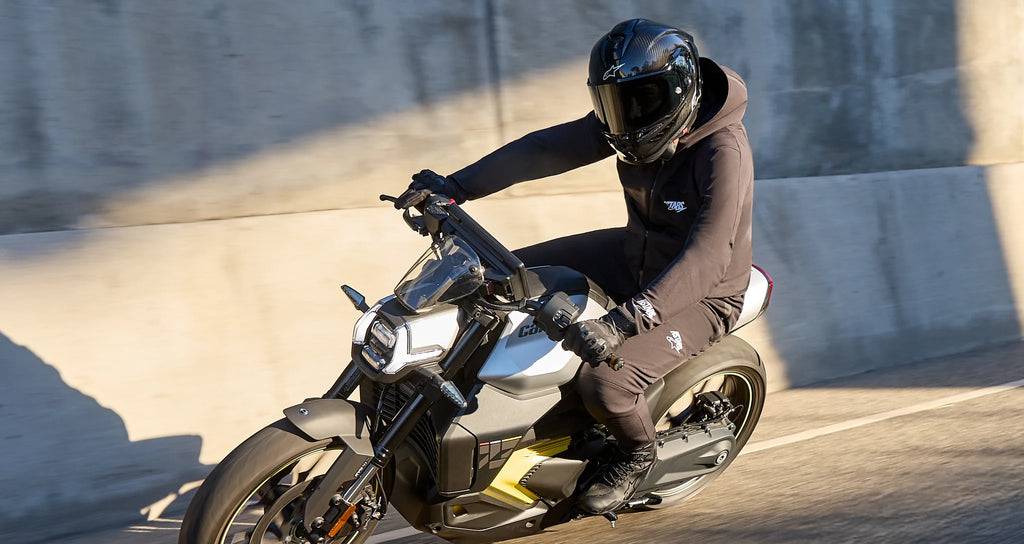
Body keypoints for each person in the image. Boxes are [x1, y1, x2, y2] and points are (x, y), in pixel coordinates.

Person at [395, 18, 754, 514]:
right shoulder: (631, 124)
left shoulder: (723, 151)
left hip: (704, 293)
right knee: (502, 276)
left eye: (641, 100)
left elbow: (708, 256)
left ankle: (637, 454)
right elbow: (545, 149)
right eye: (613, 103)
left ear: (679, 92)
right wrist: (455, 187)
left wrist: (621, 324)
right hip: (635, 254)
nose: (625, 117)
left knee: (604, 383)